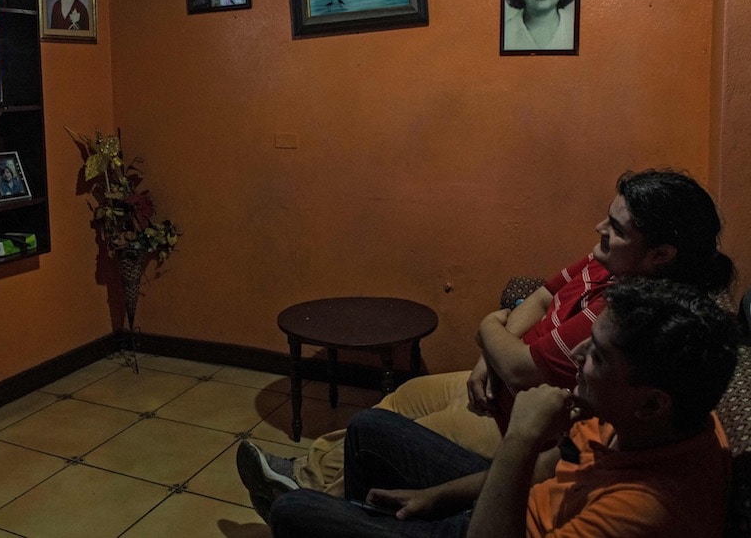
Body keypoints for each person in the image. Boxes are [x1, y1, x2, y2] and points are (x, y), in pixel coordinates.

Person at [238, 169, 735, 511]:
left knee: (401, 433)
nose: (599, 228)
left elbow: (522, 369)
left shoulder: (634, 315)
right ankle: (306, 472)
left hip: (519, 415)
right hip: (498, 381)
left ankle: (310, 499)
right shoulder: (604, 262)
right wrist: (488, 359)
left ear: (661, 254)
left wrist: (488, 330)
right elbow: (540, 299)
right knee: (399, 399)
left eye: (617, 227)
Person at [267, 277, 738, 537]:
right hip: (504, 507)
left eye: (596, 355)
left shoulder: (646, 512)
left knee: (294, 513)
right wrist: (437, 495)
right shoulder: (646, 420)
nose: (576, 359)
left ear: (652, 402)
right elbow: (552, 468)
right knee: (370, 426)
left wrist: (521, 437)